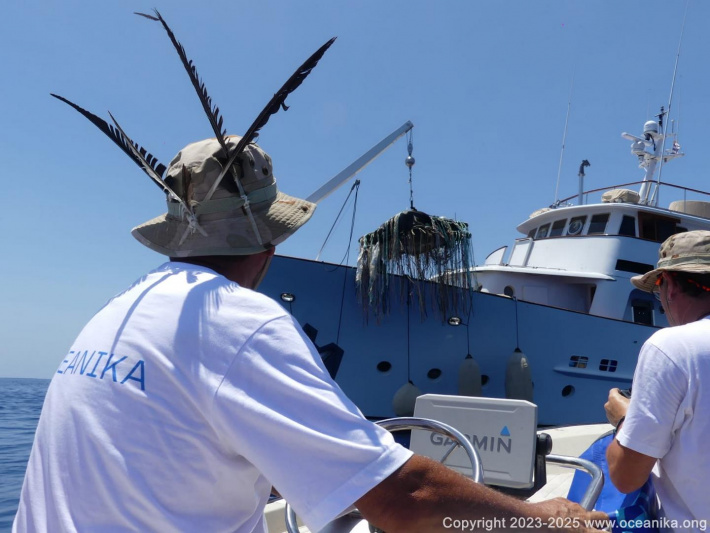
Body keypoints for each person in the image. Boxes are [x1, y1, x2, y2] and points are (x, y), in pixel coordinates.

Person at [12, 134, 609, 533]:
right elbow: (405, 501)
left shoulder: (121, 306)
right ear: (271, 245)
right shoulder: (242, 320)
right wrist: (540, 517)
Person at [606, 230, 710, 525]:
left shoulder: (672, 346)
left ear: (671, 287)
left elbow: (626, 478)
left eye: (658, 289)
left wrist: (623, 420)